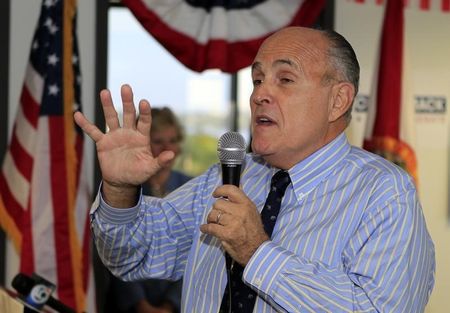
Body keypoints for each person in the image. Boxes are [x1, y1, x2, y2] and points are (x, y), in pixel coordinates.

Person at [74, 27, 435, 312]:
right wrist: (120, 192)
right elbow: (132, 256)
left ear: (338, 100)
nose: (260, 94)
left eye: (285, 80)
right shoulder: (227, 177)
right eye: (258, 79)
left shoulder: (383, 192)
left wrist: (257, 252)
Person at [109, 107, 191, 313]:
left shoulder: (192, 188)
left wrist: (171, 304)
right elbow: (117, 251)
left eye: (173, 141)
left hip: (179, 304)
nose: (167, 149)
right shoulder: (124, 188)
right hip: (128, 304)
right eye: (158, 141)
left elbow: (195, 254)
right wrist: (140, 304)